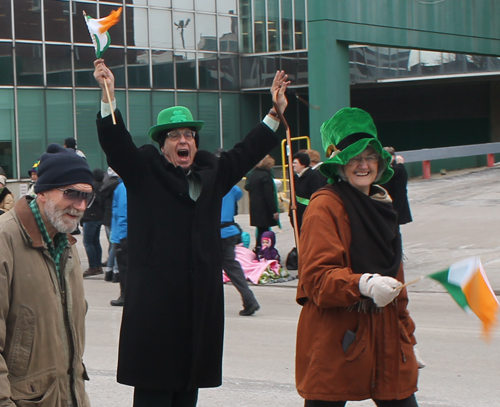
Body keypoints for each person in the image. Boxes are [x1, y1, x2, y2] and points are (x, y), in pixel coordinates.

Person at [94, 59, 290, 407]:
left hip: (199, 304)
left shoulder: (212, 172)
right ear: (163, 144)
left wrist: (274, 113)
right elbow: (116, 142)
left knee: (189, 387)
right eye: (175, 136)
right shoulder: (144, 171)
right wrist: (107, 95)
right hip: (156, 305)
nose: (183, 140)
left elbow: (247, 151)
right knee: (155, 389)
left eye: (189, 135)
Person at [295, 107, 420, 407]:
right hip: (336, 334)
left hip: (387, 336)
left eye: (370, 157)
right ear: (339, 164)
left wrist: (408, 337)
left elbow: (396, 280)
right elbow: (317, 279)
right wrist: (364, 284)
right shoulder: (325, 206)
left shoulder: (382, 204)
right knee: (327, 398)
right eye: (354, 158)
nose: (363, 165)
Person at [0, 144, 93, 406]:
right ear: (42, 192)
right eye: (72, 193)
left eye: (88, 197)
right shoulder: (4, 240)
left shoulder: (67, 244)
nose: (81, 205)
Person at [221, 185, 260, 316]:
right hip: (230, 231)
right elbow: (238, 194)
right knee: (232, 268)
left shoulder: (205, 184)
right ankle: (249, 300)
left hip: (213, 232)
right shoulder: (231, 187)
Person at [245, 155, 280, 253]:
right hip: (264, 208)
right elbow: (268, 195)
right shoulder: (265, 176)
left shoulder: (252, 174)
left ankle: (259, 248)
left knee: (260, 229)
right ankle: (264, 250)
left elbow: (247, 187)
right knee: (265, 230)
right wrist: (274, 211)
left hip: (255, 207)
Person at [290, 151, 324, 233]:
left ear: (303, 164)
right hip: (297, 212)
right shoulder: (295, 177)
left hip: (308, 212)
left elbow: (316, 194)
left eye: (295, 163)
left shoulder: (312, 176)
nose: (293, 165)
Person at [82, 168, 105, 277]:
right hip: (99, 217)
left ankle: (93, 267)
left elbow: (87, 202)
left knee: (88, 243)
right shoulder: (103, 186)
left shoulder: (92, 187)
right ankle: (98, 265)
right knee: (96, 242)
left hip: (90, 217)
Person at [381, 147, 413, 226]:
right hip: (388, 204)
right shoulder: (392, 169)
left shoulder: (393, 169)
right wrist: (400, 164)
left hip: (393, 205)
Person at [99, 167, 121, 281]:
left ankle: (109, 269)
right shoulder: (119, 186)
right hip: (116, 220)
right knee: (117, 245)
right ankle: (116, 271)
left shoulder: (106, 184)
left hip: (109, 218)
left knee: (113, 244)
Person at [109, 180, 128, 306]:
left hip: (122, 235)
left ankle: (125, 297)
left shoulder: (123, 187)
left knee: (125, 269)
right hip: (124, 234)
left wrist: (122, 236)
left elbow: (122, 212)